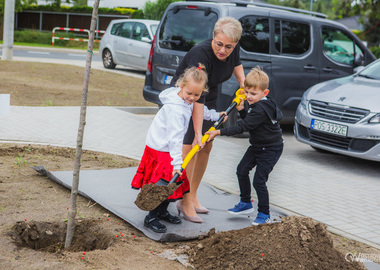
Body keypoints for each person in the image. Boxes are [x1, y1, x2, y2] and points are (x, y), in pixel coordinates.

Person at [132, 64, 225, 233]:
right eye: (189, 93)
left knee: (174, 183)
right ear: (181, 86)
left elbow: (199, 110)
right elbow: (175, 138)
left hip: (167, 149)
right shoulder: (175, 108)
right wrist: (176, 163)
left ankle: (161, 211)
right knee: (164, 183)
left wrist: (215, 115)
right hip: (161, 148)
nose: (191, 98)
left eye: (197, 95)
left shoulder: (185, 99)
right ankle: (151, 216)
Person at [170, 17, 245, 221]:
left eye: (228, 47)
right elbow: (196, 96)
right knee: (192, 148)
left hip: (208, 98)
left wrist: (244, 86)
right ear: (213, 36)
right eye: (219, 44)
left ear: (235, 44)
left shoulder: (232, 48)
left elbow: (236, 64)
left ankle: (193, 196)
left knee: (206, 146)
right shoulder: (200, 54)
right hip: (187, 99)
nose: (223, 50)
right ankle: (183, 201)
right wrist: (196, 133)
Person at [206, 67, 284, 225]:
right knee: (241, 170)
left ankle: (264, 213)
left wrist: (218, 132)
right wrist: (242, 111)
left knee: (259, 181)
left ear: (265, 93)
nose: (248, 96)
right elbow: (251, 122)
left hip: (271, 149)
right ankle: (246, 203)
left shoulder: (261, 109)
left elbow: (243, 127)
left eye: (253, 94)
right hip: (257, 145)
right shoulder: (260, 104)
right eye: (246, 92)